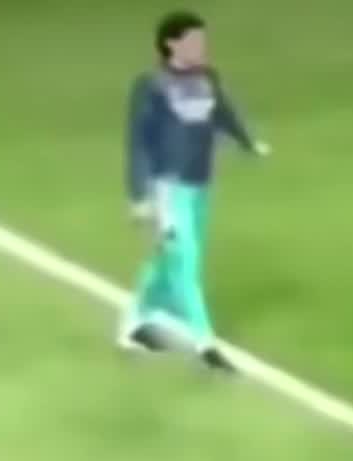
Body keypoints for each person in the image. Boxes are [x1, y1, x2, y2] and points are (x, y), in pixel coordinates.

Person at [121, 11, 270, 368]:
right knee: (185, 262)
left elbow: (223, 114)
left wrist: (248, 144)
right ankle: (206, 345)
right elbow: (139, 144)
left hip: (201, 185)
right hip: (168, 189)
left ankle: (133, 323)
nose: (201, 46)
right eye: (193, 40)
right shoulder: (152, 86)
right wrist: (139, 196)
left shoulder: (207, 79)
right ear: (171, 44)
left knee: (168, 259)